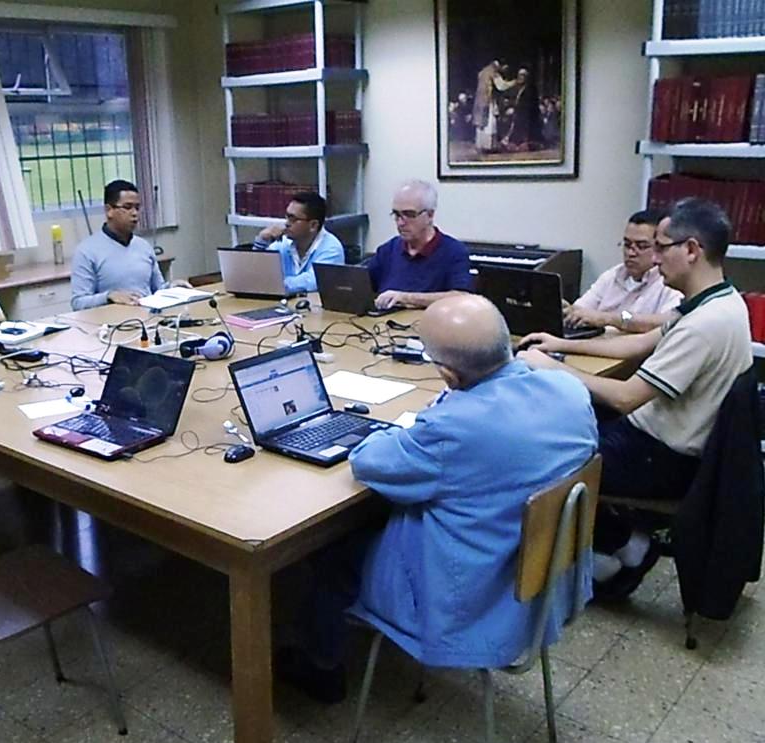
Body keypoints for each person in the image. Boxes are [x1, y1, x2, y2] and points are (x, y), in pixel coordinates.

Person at [277, 295, 597, 703]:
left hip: (468, 599)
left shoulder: (454, 427)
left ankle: (320, 664)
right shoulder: (569, 389)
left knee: (332, 544)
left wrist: (439, 412)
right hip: (543, 582)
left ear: (448, 374)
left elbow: (368, 462)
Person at [518, 198, 752, 599]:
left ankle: (623, 545)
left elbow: (627, 398)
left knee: (538, 453)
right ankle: (612, 542)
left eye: (661, 248)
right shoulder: (715, 300)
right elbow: (636, 345)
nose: (654, 260)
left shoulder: (705, 325)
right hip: (656, 436)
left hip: (662, 456)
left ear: (691, 250)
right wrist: (559, 344)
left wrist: (551, 368)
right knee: (556, 419)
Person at [563, 210, 682, 334]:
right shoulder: (613, 275)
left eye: (641, 246)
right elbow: (581, 310)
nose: (630, 253)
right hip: (595, 342)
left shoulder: (670, 283)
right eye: (627, 244)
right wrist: (567, 310)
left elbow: (668, 323)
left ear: (659, 247)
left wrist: (608, 318)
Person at [71, 179, 179, 309]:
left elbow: (158, 289)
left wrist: (172, 288)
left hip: (148, 316)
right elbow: (78, 303)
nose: (134, 213)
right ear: (109, 210)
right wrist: (109, 296)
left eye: (137, 208)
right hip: (112, 319)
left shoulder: (143, 246)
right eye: (127, 207)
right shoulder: (87, 251)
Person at [368, 180, 473, 310]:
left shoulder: (453, 252)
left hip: (428, 321)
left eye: (409, 215)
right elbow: (363, 285)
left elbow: (461, 297)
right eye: (396, 214)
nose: (400, 223)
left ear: (430, 215)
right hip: (385, 321)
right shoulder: (387, 250)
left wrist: (405, 298)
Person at [252, 191, 345, 295]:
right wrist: (262, 241)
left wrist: (274, 284)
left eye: (293, 219)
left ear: (313, 225)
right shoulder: (283, 243)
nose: (287, 223)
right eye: (287, 217)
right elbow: (255, 274)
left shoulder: (332, 249)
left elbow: (312, 282)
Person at [473, 59, 517, 152]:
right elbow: (501, 86)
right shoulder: (493, 72)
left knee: (481, 124)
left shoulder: (483, 71)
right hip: (487, 101)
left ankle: (480, 145)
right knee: (489, 123)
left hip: (479, 100)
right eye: (505, 68)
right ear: (501, 65)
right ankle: (488, 146)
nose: (505, 71)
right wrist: (514, 82)